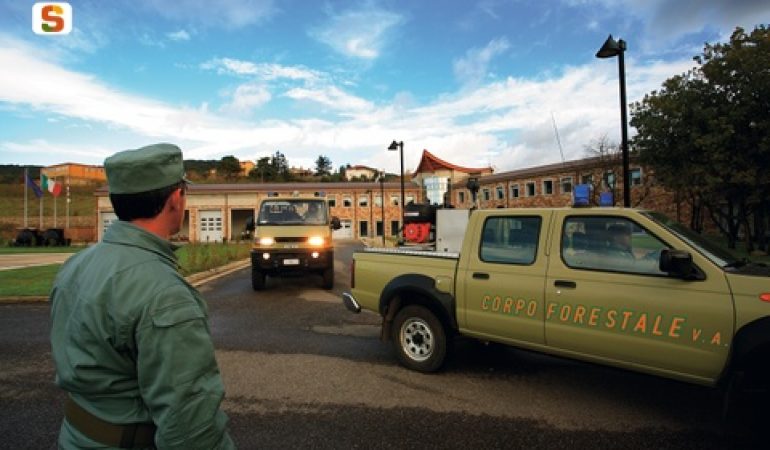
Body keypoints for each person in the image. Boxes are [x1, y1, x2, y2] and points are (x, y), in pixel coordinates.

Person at [50, 143, 235, 449]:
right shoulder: (165, 294)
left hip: (74, 437)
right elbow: (190, 426)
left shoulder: (76, 265)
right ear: (176, 199)